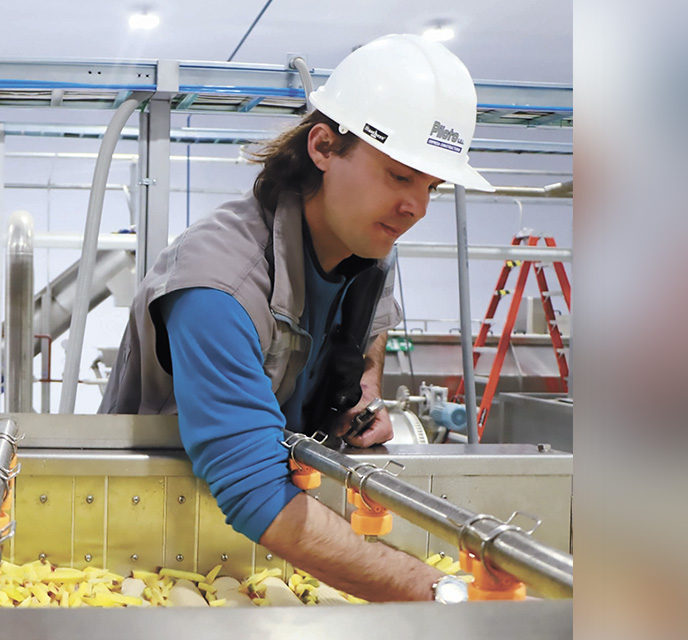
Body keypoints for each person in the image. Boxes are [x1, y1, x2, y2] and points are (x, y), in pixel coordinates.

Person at [99, 34, 494, 602]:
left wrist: (362, 393)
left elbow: (371, 327)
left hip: (277, 544)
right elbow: (254, 490)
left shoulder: (364, 249)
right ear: (324, 148)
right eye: (400, 176)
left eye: (431, 185)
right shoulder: (220, 283)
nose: (418, 207)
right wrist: (450, 594)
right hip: (154, 543)